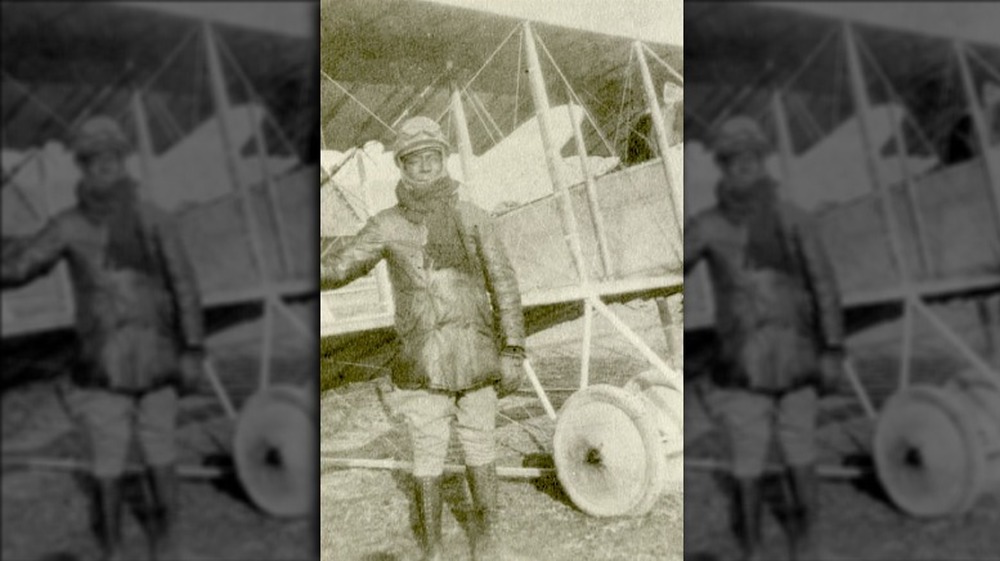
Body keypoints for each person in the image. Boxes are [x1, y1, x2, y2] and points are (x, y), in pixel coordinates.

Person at [321, 116, 526, 561]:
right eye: (415, 160)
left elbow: (504, 286)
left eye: (432, 157)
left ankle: (487, 540)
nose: (425, 167)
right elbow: (338, 268)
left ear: (443, 160)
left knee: (480, 446)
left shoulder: (474, 218)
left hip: (477, 358)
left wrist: (512, 349)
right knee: (428, 455)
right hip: (423, 365)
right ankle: (432, 548)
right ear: (402, 167)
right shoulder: (386, 225)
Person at [1, 116, 205, 561]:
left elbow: (185, 286)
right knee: (108, 461)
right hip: (103, 367)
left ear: (122, 160)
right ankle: (113, 551)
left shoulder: (155, 220)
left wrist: (193, 349)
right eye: (94, 160)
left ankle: (166, 548)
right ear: (83, 166)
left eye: (111, 157)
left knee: (160, 451)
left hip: (157, 362)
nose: (104, 167)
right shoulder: (68, 226)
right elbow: (19, 268)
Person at [684, 116, 844, 561]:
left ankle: (807, 546)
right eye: (733, 160)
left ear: (762, 161)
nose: (743, 167)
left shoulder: (795, 219)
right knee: (747, 460)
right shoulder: (707, 226)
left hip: (797, 361)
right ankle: (752, 550)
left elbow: (824, 286)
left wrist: (832, 349)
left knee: (800, 449)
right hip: (742, 367)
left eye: (751, 158)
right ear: (723, 166)